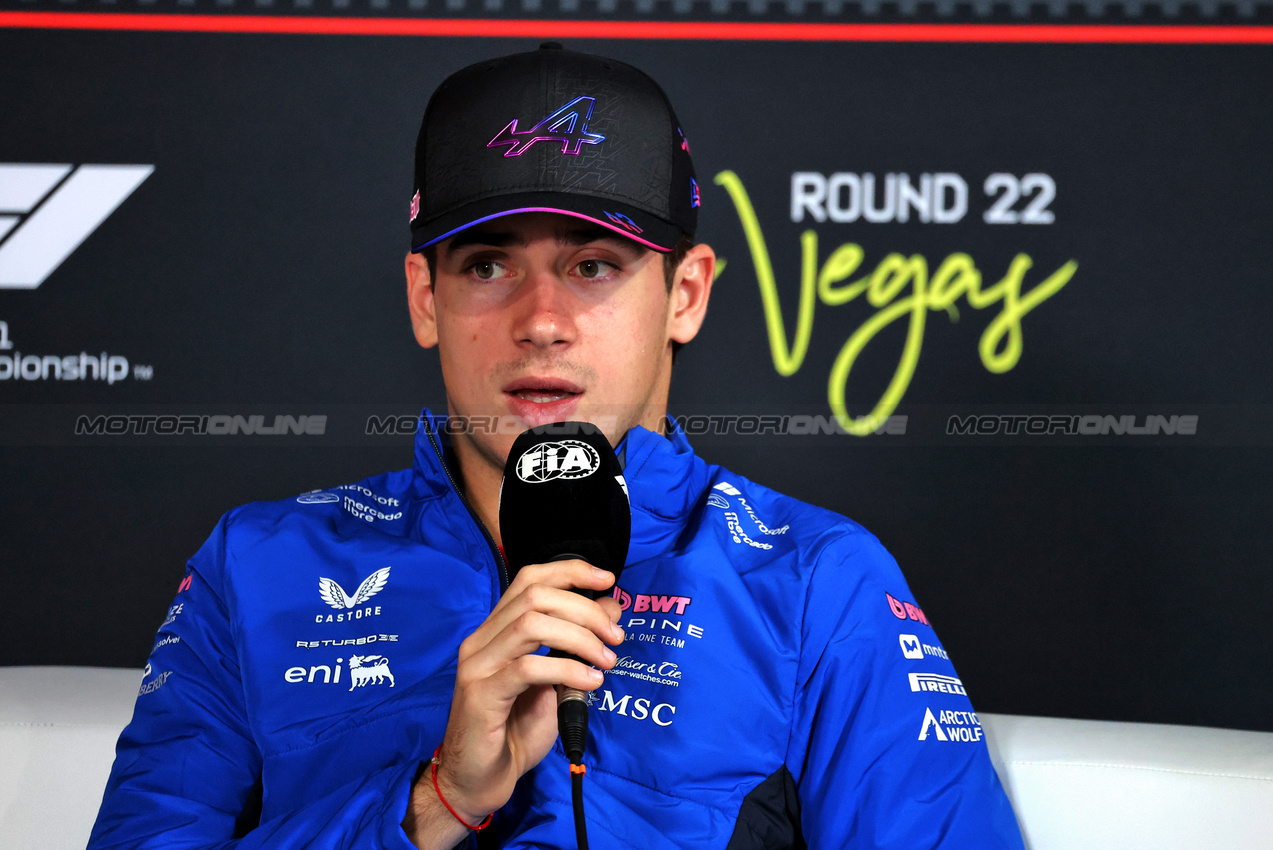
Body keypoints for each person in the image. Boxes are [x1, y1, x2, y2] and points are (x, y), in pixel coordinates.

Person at [89, 43, 1024, 849]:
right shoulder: (255, 567)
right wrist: (435, 803)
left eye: (593, 266)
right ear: (426, 299)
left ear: (685, 295)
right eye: (489, 264)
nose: (541, 322)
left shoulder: (819, 582)